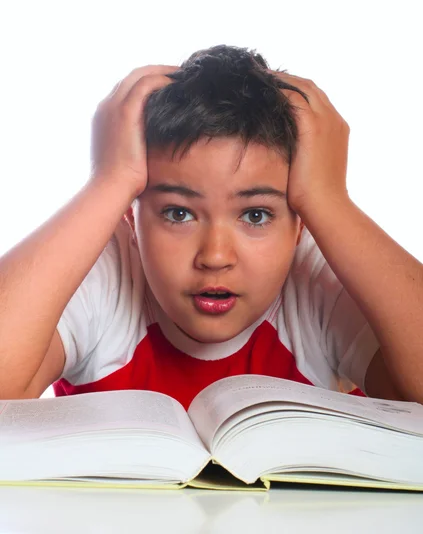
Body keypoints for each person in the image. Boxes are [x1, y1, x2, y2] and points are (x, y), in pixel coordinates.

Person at [0, 45, 422, 408]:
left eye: (256, 215)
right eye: (178, 213)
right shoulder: (104, 265)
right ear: (130, 214)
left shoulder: (316, 278)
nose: (216, 257)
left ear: (300, 225)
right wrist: (107, 183)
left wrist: (330, 201)